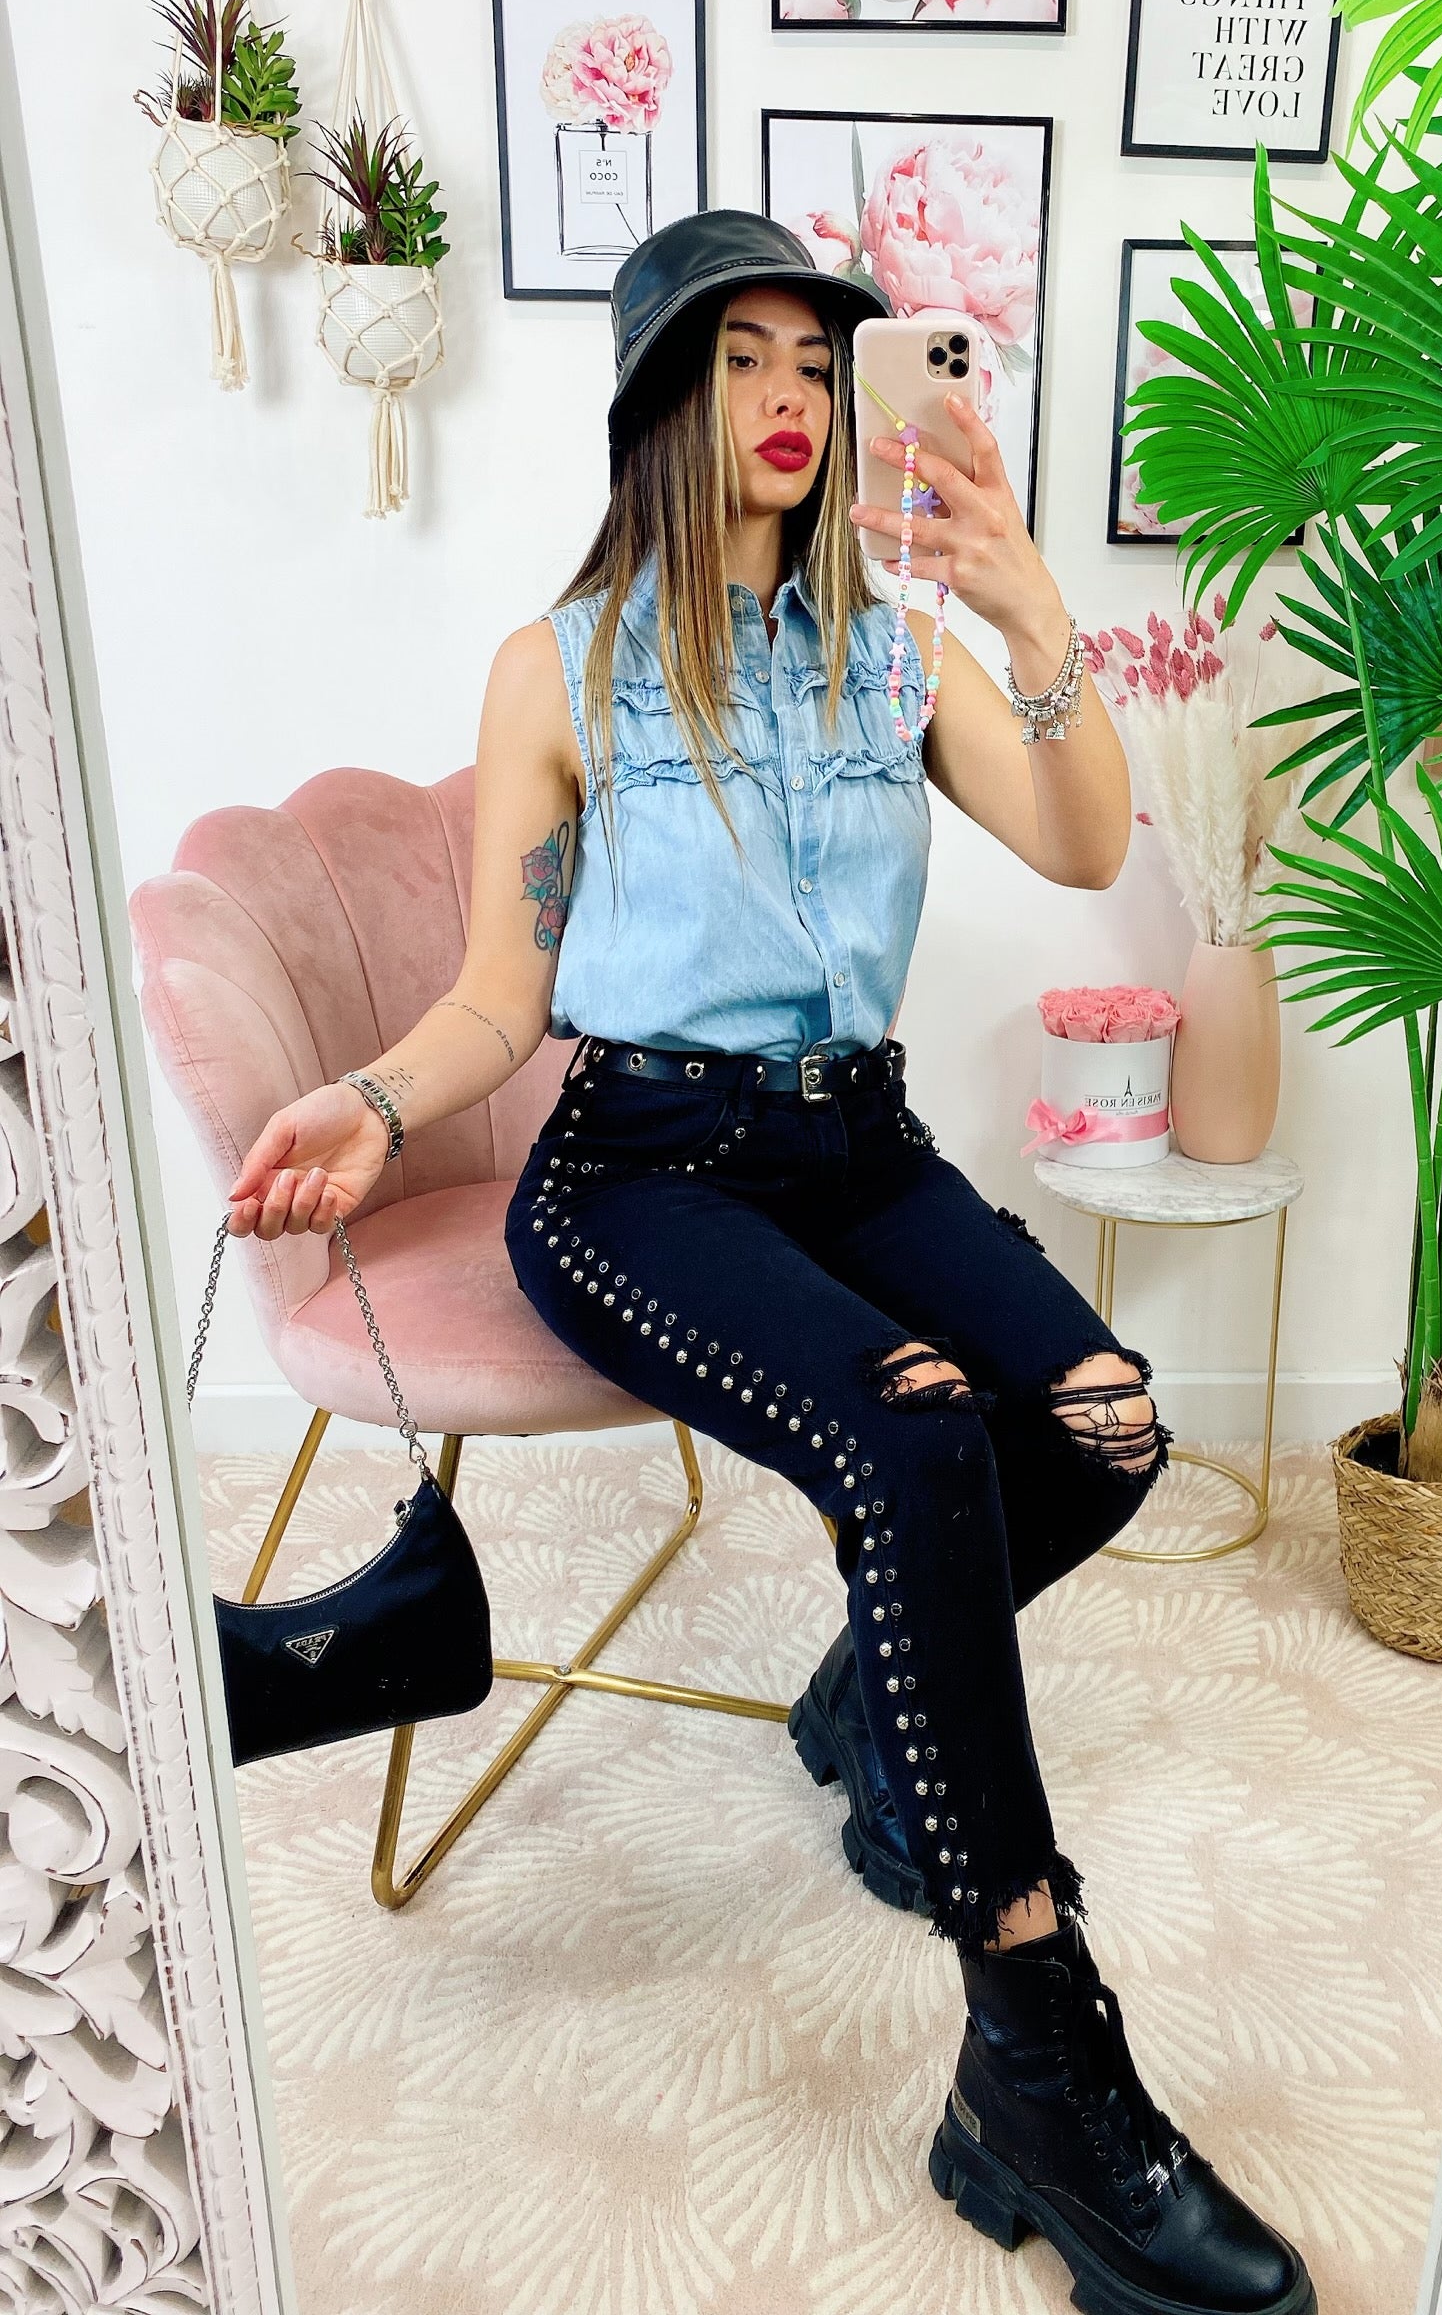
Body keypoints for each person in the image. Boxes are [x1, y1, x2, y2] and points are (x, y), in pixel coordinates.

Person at [223, 208, 1314, 2315]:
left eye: (820, 360)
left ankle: (872, 1696)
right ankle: (1038, 2065)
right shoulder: (560, 667)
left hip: (860, 1146)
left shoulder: (894, 655)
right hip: (641, 1171)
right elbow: (500, 998)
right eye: (743, 361)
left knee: (1107, 1429)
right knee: (920, 1437)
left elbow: (1087, 842)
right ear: (660, 404)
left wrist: (1028, 603)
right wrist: (370, 1102)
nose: (795, 397)